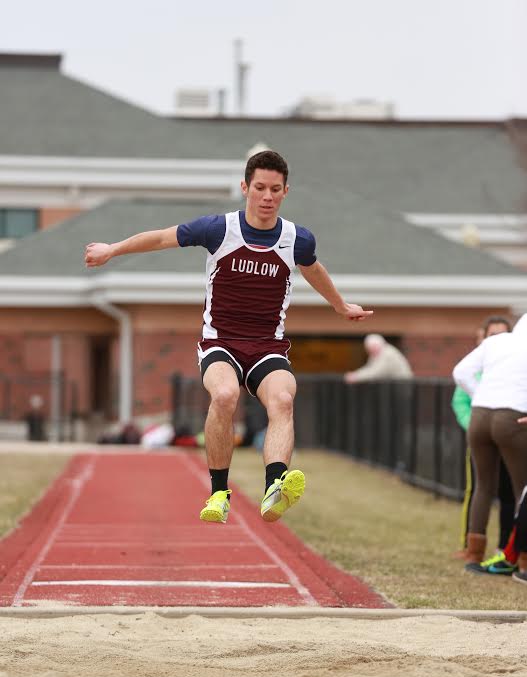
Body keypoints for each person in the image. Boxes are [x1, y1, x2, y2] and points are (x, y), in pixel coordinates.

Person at [85, 150, 373, 524]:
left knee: (283, 399)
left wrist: (338, 304)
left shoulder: (296, 239)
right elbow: (159, 238)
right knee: (224, 395)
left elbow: (313, 268)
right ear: (245, 188)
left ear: (286, 191)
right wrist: (112, 249)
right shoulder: (219, 229)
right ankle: (219, 493)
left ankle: (275, 486)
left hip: (268, 345)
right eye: (259, 188)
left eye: (275, 189)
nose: (267, 196)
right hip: (220, 342)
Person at [452, 313, 527, 570]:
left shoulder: (496, 342)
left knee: (483, 486)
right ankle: (522, 558)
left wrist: (481, 396)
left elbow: (460, 372)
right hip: (513, 417)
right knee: (523, 490)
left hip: (480, 415)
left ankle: (474, 555)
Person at [343, 334, 412, 383]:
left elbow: (375, 372)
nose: (371, 351)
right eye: (369, 349)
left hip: (402, 386)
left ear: (378, 345)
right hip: (393, 387)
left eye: (372, 348)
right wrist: (356, 374)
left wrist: (356, 377)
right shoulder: (376, 354)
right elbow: (369, 368)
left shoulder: (388, 353)